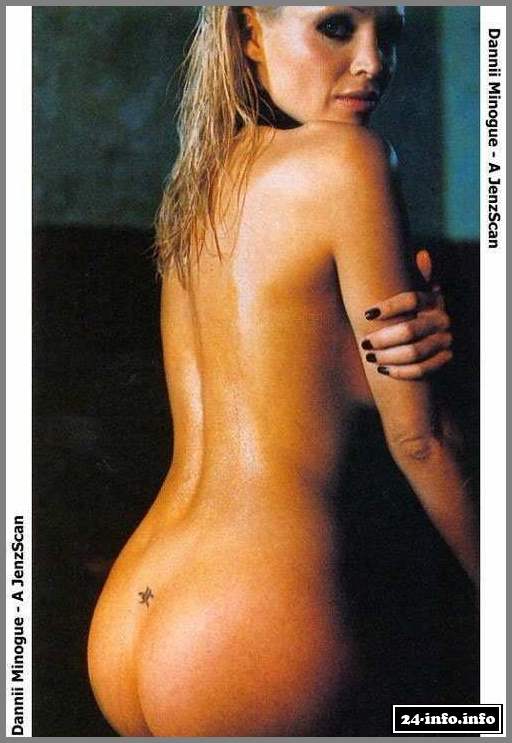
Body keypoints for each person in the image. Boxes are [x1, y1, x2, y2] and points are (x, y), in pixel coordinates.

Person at [87, 6, 478, 736]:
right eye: (337, 27)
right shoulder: (350, 159)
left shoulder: (201, 178)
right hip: (254, 623)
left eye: (389, 34)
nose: (373, 62)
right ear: (249, 34)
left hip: (132, 612)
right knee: (466, 723)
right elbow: (421, 441)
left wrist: (408, 355)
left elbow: (298, 380)